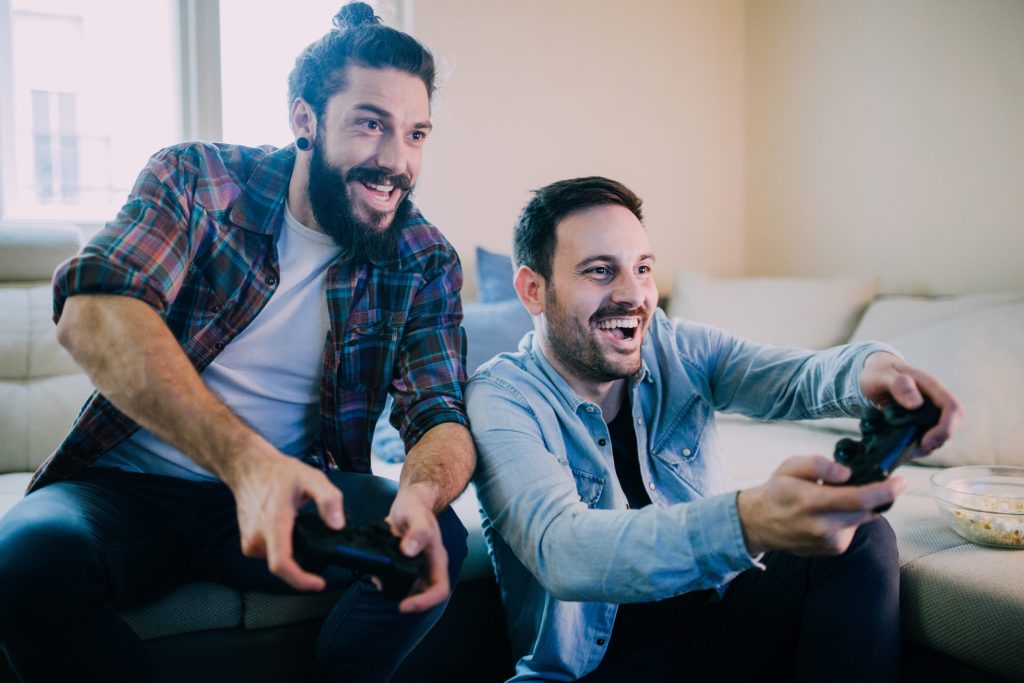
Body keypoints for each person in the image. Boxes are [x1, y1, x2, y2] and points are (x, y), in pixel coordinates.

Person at [0, 4, 476, 681]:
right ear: (305, 119)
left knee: (435, 539)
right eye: (370, 124)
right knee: (23, 561)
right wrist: (247, 464)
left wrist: (421, 495)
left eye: (415, 133)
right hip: (126, 490)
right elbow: (94, 311)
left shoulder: (423, 257)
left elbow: (440, 413)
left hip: (290, 499)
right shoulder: (198, 180)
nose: (396, 161)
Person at [466, 176, 963, 682]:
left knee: (862, 535)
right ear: (533, 290)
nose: (634, 295)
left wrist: (877, 370)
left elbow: (793, 377)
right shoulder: (501, 397)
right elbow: (564, 551)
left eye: (643, 269)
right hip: (596, 671)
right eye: (600, 271)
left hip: (716, 630)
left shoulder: (674, 347)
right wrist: (750, 521)